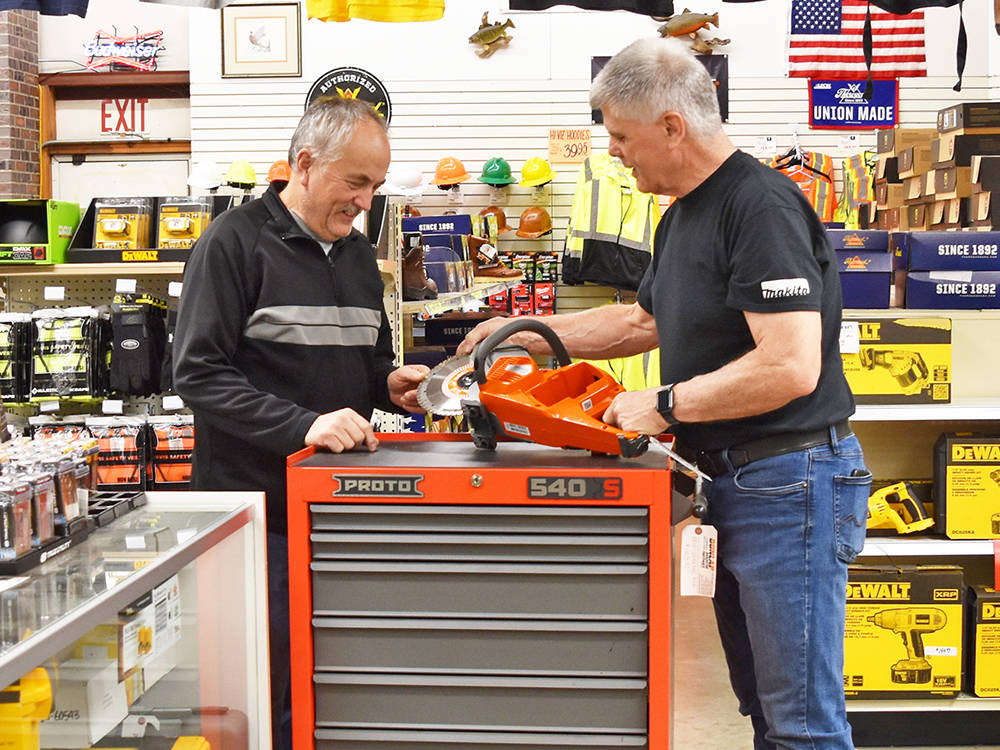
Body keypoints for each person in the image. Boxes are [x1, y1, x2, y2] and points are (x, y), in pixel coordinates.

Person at [457, 37, 870, 750]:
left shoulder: (758, 206)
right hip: (740, 481)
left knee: (803, 723)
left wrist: (666, 404)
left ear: (671, 127)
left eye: (621, 136)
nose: (614, 153)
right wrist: (522, 331)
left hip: (790, 483)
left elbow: (792, 366)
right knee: (766, 713)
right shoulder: (684, 211)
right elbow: (641, 321)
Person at [172, 97, 428, 749]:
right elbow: (197, 374)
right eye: (356, 182)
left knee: (332, 685)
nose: (366, 200)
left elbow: (368, 366)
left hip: (338, 511)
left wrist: (391, 386)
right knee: (268, 691)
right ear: (305, 166)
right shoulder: (232, 244)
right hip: (259, 520)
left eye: (375, 184)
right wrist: (302, 427)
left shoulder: (356, 256)